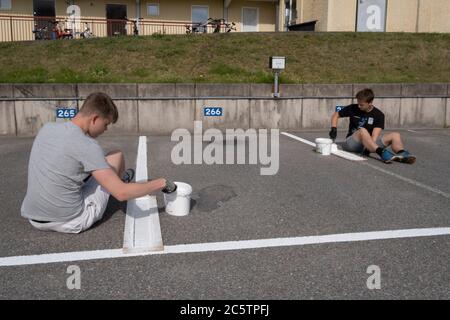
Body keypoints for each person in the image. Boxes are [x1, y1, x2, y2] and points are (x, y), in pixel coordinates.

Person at [21, 92, 177, 234]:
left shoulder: (47, 128)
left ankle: (114, 182)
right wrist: (161, 183)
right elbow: (122, 193)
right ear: (95, 118)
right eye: (106, 124)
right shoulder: (86, 145)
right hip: (70, 220)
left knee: (100, 166)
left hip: (34, 219)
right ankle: (117, 183)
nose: (106, 129)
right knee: (116, 157)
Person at [329, 88, 416, 164]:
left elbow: (374, 137)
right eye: (358, 103)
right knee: (362, 130)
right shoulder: (353, 108)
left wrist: (368, 148)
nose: (358, 106)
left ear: (370, 103)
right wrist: (334, 128)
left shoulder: (379, 115)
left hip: (369, 143)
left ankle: (402, 154)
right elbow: (336, 115)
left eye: (361, 105)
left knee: (395, 135)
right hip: (352, 142)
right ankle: (381, 152)